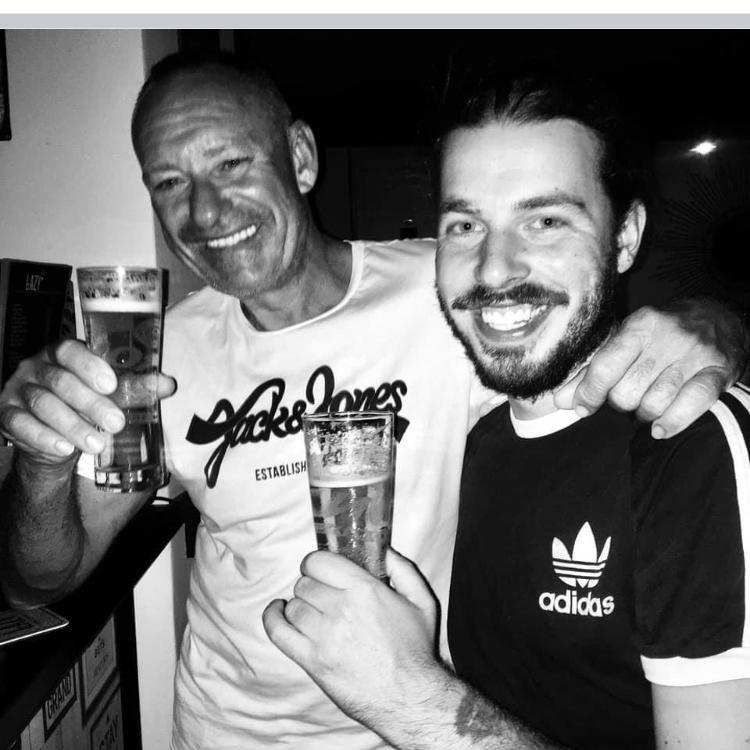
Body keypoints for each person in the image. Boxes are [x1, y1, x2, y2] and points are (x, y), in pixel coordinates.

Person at [0, 52, 745, 750]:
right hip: (224, 730)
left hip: (414, 727)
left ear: (300, 156)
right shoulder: (160, 353)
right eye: (168, 182)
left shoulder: (451, 291)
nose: (205, 210)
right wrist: (40, 462)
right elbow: (40, 578)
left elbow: (565, 327)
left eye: (231, 164)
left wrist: (716, 324)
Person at [263, 72, 750, 749]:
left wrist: (407, 694)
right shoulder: (483, 437)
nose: (494, 269)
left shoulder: (691, 445)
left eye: (545, 221)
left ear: (625, 236)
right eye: (465, 225)